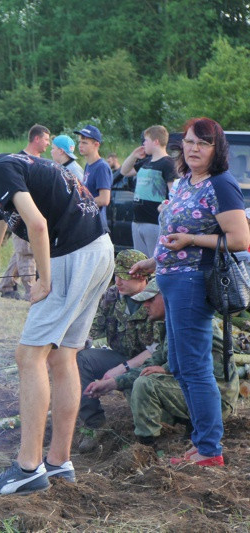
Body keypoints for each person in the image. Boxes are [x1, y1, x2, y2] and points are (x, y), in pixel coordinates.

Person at [0, 120, 113, 494]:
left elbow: (36, 225)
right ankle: (58, 463)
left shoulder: (3, 168)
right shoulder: (3, 183)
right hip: (99, 251)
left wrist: (44, 279)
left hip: (74, 256)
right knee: (61, 357)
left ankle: (27, 468)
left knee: (28, 356)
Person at [130, 117, 250, 467]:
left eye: (204, 143)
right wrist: (153, 263)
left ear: (217, 149)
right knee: (182, 367)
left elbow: (241, 240)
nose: (195, 148)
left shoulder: (221, 184)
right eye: (191, 142)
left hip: (195, 283)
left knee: (195, 368)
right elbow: (173, 235)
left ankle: (209, 450)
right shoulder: (184, 182)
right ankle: (202, 443)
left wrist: (192, 240)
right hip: (171, 280)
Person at [85, 279, 241, 446]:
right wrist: (114, 382)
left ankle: (150, 445)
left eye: (151, 300)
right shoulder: (175, 320)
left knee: (145, 383)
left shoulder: (189, 320)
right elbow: (157, 359)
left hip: (216, 396)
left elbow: (195, 361)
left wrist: (166, 369)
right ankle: (171, 428)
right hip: (196, 390)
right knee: (133, 382)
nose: (145, 305)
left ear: (168, 297)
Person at [75, 249, 165, 452]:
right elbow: (91, 331)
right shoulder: (112, 296)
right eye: (116, 275)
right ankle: (95, 424)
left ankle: (153, 439)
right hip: (120, 356)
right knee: (80, 359)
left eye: (124, 277)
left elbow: (158, 349)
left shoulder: (156, 298)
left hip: (149, 364)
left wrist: (123, 368)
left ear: (142, 277)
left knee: (144, 411)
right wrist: (66, 353)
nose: (118, 281)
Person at [0, 125, 50, 301]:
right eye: (46, 139)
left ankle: (6, 285)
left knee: (20, 252)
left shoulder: (42, 162)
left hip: (40, 215)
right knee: (27, 253)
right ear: (36, 139)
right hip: (23, 216)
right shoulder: (17, 161)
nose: (48, 143)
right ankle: (30, 291)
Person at [119, 125, 177, 257]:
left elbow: (173, 194)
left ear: (156, 141)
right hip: (138, 220)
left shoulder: (167, 163)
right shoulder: (146, 162)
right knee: (140, 261)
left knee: (153, 262)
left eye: (146, 140)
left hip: (154, 222)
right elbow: (125, 171)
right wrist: (134, 155)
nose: (143, 144)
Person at [75, 125, 112, 231]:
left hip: (98, 226)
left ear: (96, 144)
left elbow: (104, 200)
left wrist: (80, 204)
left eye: (85, 143)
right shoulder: (88, 165)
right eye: (80, 142)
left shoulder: (101, 167)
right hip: (88, 223)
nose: (80, 146)